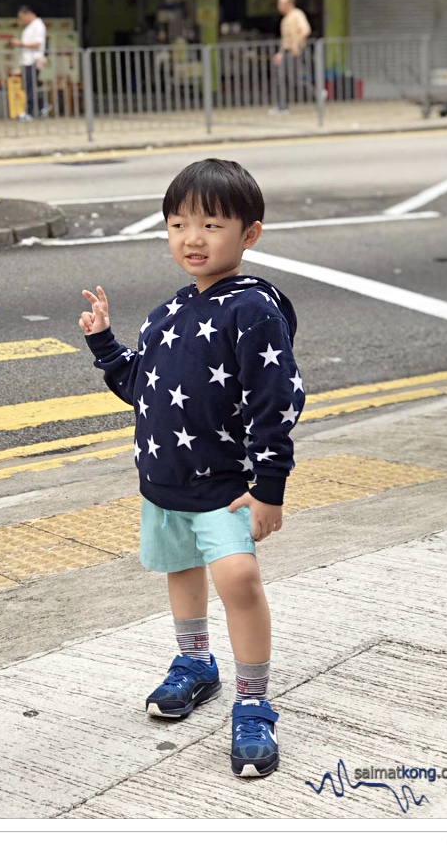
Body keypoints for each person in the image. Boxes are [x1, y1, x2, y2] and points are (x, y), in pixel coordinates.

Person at [79, 158, 305, 778]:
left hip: (228, 486)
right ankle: (195, 663)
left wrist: (270, 489)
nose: (192, 239)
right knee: (179, 569)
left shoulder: (253, 309)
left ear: (249, 234)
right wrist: (105, 342)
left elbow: (276, 401)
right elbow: (141, 389)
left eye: (210, 224)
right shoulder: (168, 311)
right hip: (164, 480)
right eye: (178, 224)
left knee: (238, 581)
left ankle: (253, 702)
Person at [270, 0, 311, 115]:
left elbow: (306, 30)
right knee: (281, 78)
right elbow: (285, 40)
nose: (279, 6)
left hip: (296, 51)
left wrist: (296, 44)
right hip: (286, 51)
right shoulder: (285, 19)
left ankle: (318, 94)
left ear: (289, 4)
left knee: (297, 79)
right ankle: (282, 106)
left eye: (281, 3)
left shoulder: (297, 14)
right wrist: (280, 53)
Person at [11, 5, 49, 120]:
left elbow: (37, 43)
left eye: (22, 17)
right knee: (27, 86)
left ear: (28, 14)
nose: (22, 20)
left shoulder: (38, 26)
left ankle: (31, 111)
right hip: (26, 60)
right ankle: (40, 107)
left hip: (34, 59)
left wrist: (20, 44)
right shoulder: (30, 27)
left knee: (30, 86)